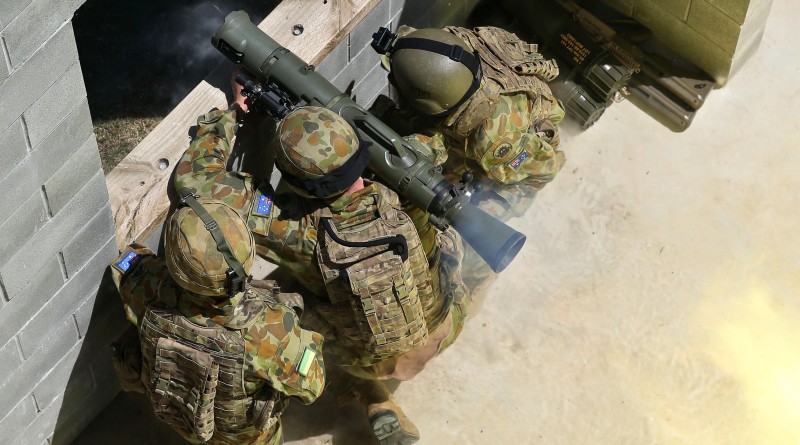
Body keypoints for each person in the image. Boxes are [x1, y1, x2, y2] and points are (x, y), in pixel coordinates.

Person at [172, 80, 469, 445]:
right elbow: (434, 140)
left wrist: (233, 114)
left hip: (368, 357)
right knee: (444, 243)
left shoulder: (294, 229)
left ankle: (369, 391)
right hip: (443, 323)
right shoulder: (409, 181)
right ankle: (380, 396)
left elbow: (194, 181)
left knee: (272, 309)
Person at [371, 24, 566, 300]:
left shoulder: (496, 141)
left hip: (521, 174)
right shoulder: (440, 50)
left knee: (465, 244)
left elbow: (546, 170)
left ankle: (466, 295)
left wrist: (480, 188)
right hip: (494, 117)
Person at [109, 196, 325, 444]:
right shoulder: (272, 331)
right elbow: (313, 386)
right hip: (242, 438)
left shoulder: (147, 282)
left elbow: (126, 265)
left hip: (182, 419)